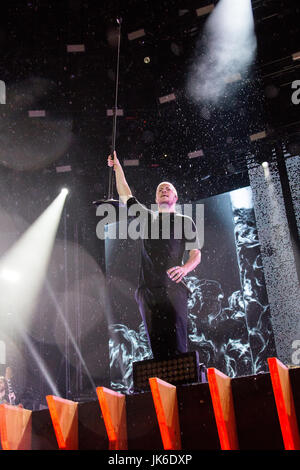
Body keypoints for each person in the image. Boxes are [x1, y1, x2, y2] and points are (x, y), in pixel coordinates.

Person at [107, 151, 201, 360]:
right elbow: (125, 194)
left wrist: (185, 268)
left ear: (175, 197)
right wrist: (117, 167)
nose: (164, 190)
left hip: (173, 288)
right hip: (147, 290)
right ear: (156, 198)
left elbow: (196, 253)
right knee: (157, 350)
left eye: (168, 188)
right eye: (160, 189)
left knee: (177, 347)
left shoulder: (185, 221)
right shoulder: (146, 217)